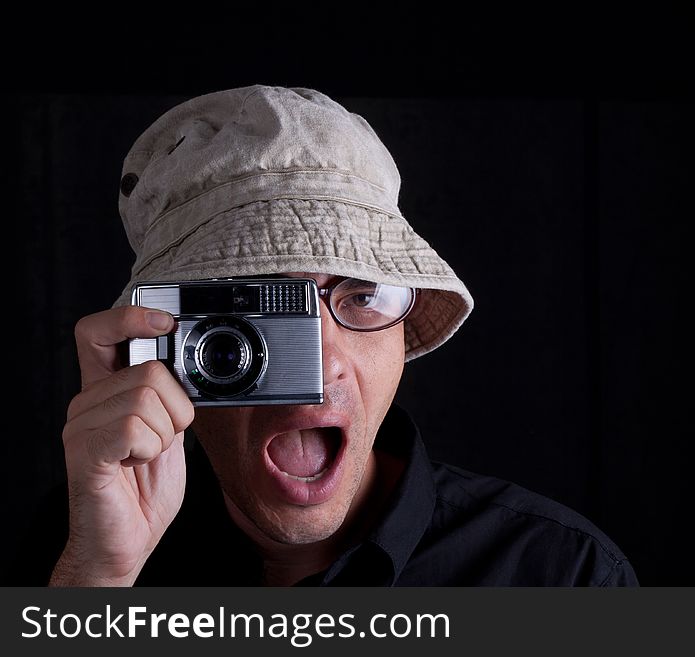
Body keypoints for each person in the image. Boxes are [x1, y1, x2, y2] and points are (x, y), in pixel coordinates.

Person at [26, 86, 637, 586]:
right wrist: (100, 579)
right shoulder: (77, 547)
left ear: (402, 336)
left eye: (362, 297)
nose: (319, 360)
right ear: (161, 345)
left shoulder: (562, 577)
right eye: (253, 311)